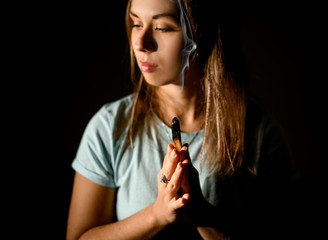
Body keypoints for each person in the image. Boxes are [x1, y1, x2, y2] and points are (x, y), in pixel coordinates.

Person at [67, 0, 297, 239]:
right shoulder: (109, 126)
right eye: (136, 23)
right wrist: (157, 214)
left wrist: (203, 216)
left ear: (204, 32)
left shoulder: (261, 135)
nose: (140, 43)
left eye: (163, 28)